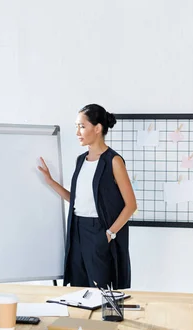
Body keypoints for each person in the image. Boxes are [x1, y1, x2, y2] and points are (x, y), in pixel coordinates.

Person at [38, 104, 137, 289]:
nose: (77, 132)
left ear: (97, 128)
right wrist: (51, 181)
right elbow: (76, 200)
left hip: (100, 230)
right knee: (78, 288)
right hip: (77, 229)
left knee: (103, 291)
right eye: (77, 126)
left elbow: (131, 205)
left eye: (82, 126)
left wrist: (108, 234)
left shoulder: (114, 161)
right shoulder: (80, 160)